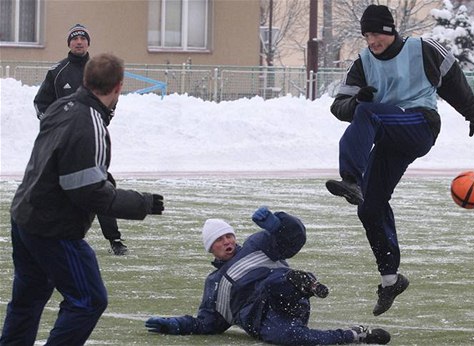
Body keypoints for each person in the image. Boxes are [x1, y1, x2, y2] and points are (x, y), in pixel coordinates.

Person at [326, 5, 474, 316]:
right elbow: (339, 107)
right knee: (369, 206)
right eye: (367, 35)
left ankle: (350, 177)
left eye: (376, 34)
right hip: (388, 134)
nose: (371, 41)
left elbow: (453, 81)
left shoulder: (422, 49)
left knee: (369, 112)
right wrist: (356, 100)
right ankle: (390, 279)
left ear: (390, 31)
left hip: (419, 125)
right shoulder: (363, 62)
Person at [0, 53, 165, 346]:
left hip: (25, 216)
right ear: (119, 87)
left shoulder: (61, 106)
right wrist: (142, 203)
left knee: (27, 299)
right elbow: (87, 192)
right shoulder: (90, 123)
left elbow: (65, 163)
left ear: (85, 79)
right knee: (89, 299)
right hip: (53, 229)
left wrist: (103, 181)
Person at [145, 207, 391, 345]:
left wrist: (278, 224)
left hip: (288, 296)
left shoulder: (259, 244)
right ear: (211, 249)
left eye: (228, 236)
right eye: (219, 240)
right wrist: (177, 325)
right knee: (288, 339)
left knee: (273, 280)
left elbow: (293, 240)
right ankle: (354, 335)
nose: (227, 242)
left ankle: (304, 282)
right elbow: (208, 323)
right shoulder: (215, 284)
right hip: (262, 319)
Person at [33, 23, 128, 256]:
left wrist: (101, 121)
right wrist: (53, 126)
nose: (79, 42)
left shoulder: (98, 70)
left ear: (88, 43)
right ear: (69, 43)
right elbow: (40, 103)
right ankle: (50, 235)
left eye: (83, 39)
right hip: (62, 145)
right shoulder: (57, 72)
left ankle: (115, 240)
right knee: (57, 190)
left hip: (91, 142)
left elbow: (112, 100)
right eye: (74, 39)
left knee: (101, 185)